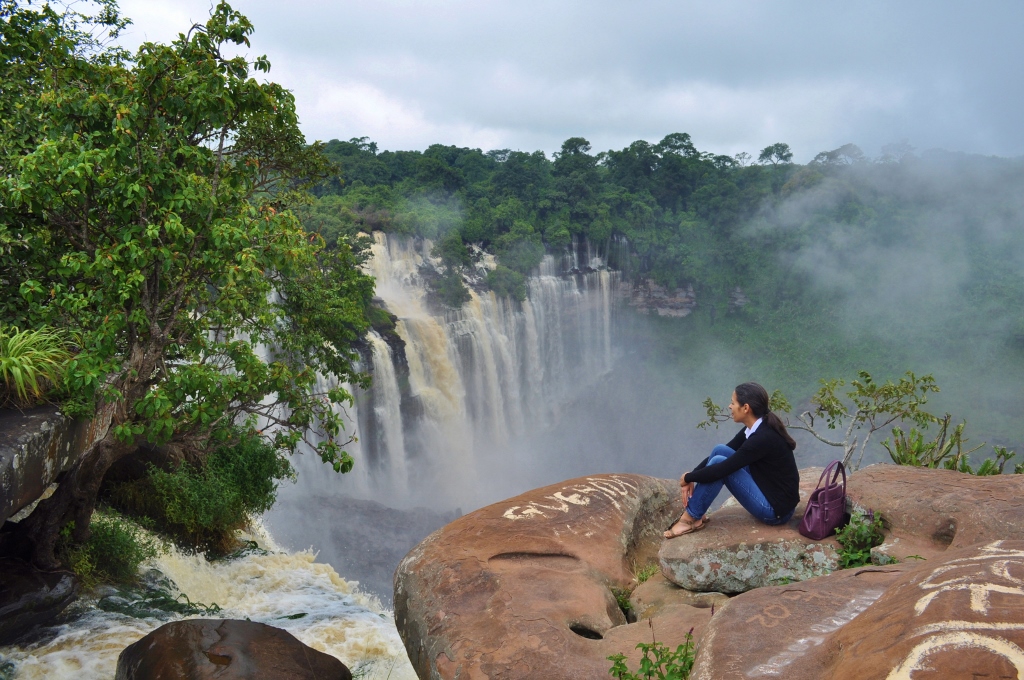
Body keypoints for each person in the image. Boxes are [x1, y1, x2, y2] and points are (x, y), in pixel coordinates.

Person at [664, 382, 800, 538]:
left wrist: (687, 478)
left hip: (775, 511)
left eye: (733, 402)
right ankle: (697, 514)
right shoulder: (757, 426)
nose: (729, 406)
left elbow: (723, 469)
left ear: (746, 408)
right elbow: (726, 451)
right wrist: (693, 474)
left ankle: (690, 518)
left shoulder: (762, 438)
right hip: (768, 489)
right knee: (720, 450)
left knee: (719, 464)